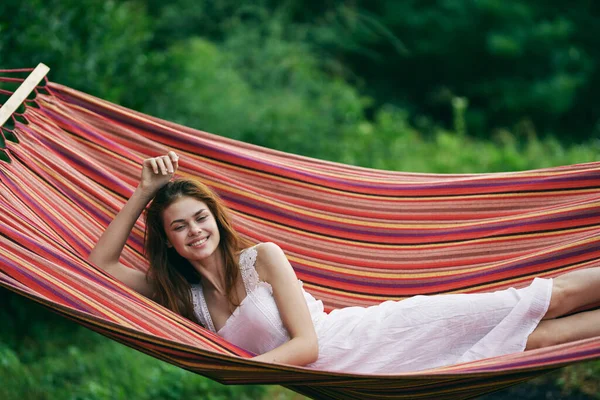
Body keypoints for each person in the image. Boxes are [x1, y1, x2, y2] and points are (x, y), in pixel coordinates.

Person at [89, 151, 600, 373]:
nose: (195, 231)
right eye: (180, 227)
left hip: (380, 336)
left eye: (201, 218)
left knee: (544, 300)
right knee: (531, 341)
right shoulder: (185, 297)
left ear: (217, 220)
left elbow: (308, 346)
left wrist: (236, 370)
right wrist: (145, 192)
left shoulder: (262, 258)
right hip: (381, 373)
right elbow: (101, 267)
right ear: (169, 242)